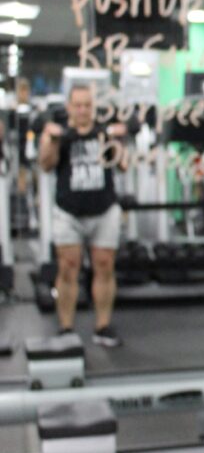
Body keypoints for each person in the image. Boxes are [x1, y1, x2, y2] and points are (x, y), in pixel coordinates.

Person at [38, 84, 126, 347]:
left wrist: (118, 140)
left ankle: (102, 326)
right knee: (67, 268)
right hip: (68, 212)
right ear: (69, 108)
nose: (83, 110)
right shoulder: (59, 135)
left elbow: (123, 164)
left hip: (104, 210)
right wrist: (52, 140)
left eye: (87, 105)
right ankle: (66, 329)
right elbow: (45, 165)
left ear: (93, 107)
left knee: (104, 265)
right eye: (77, 105)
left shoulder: (104, 134)